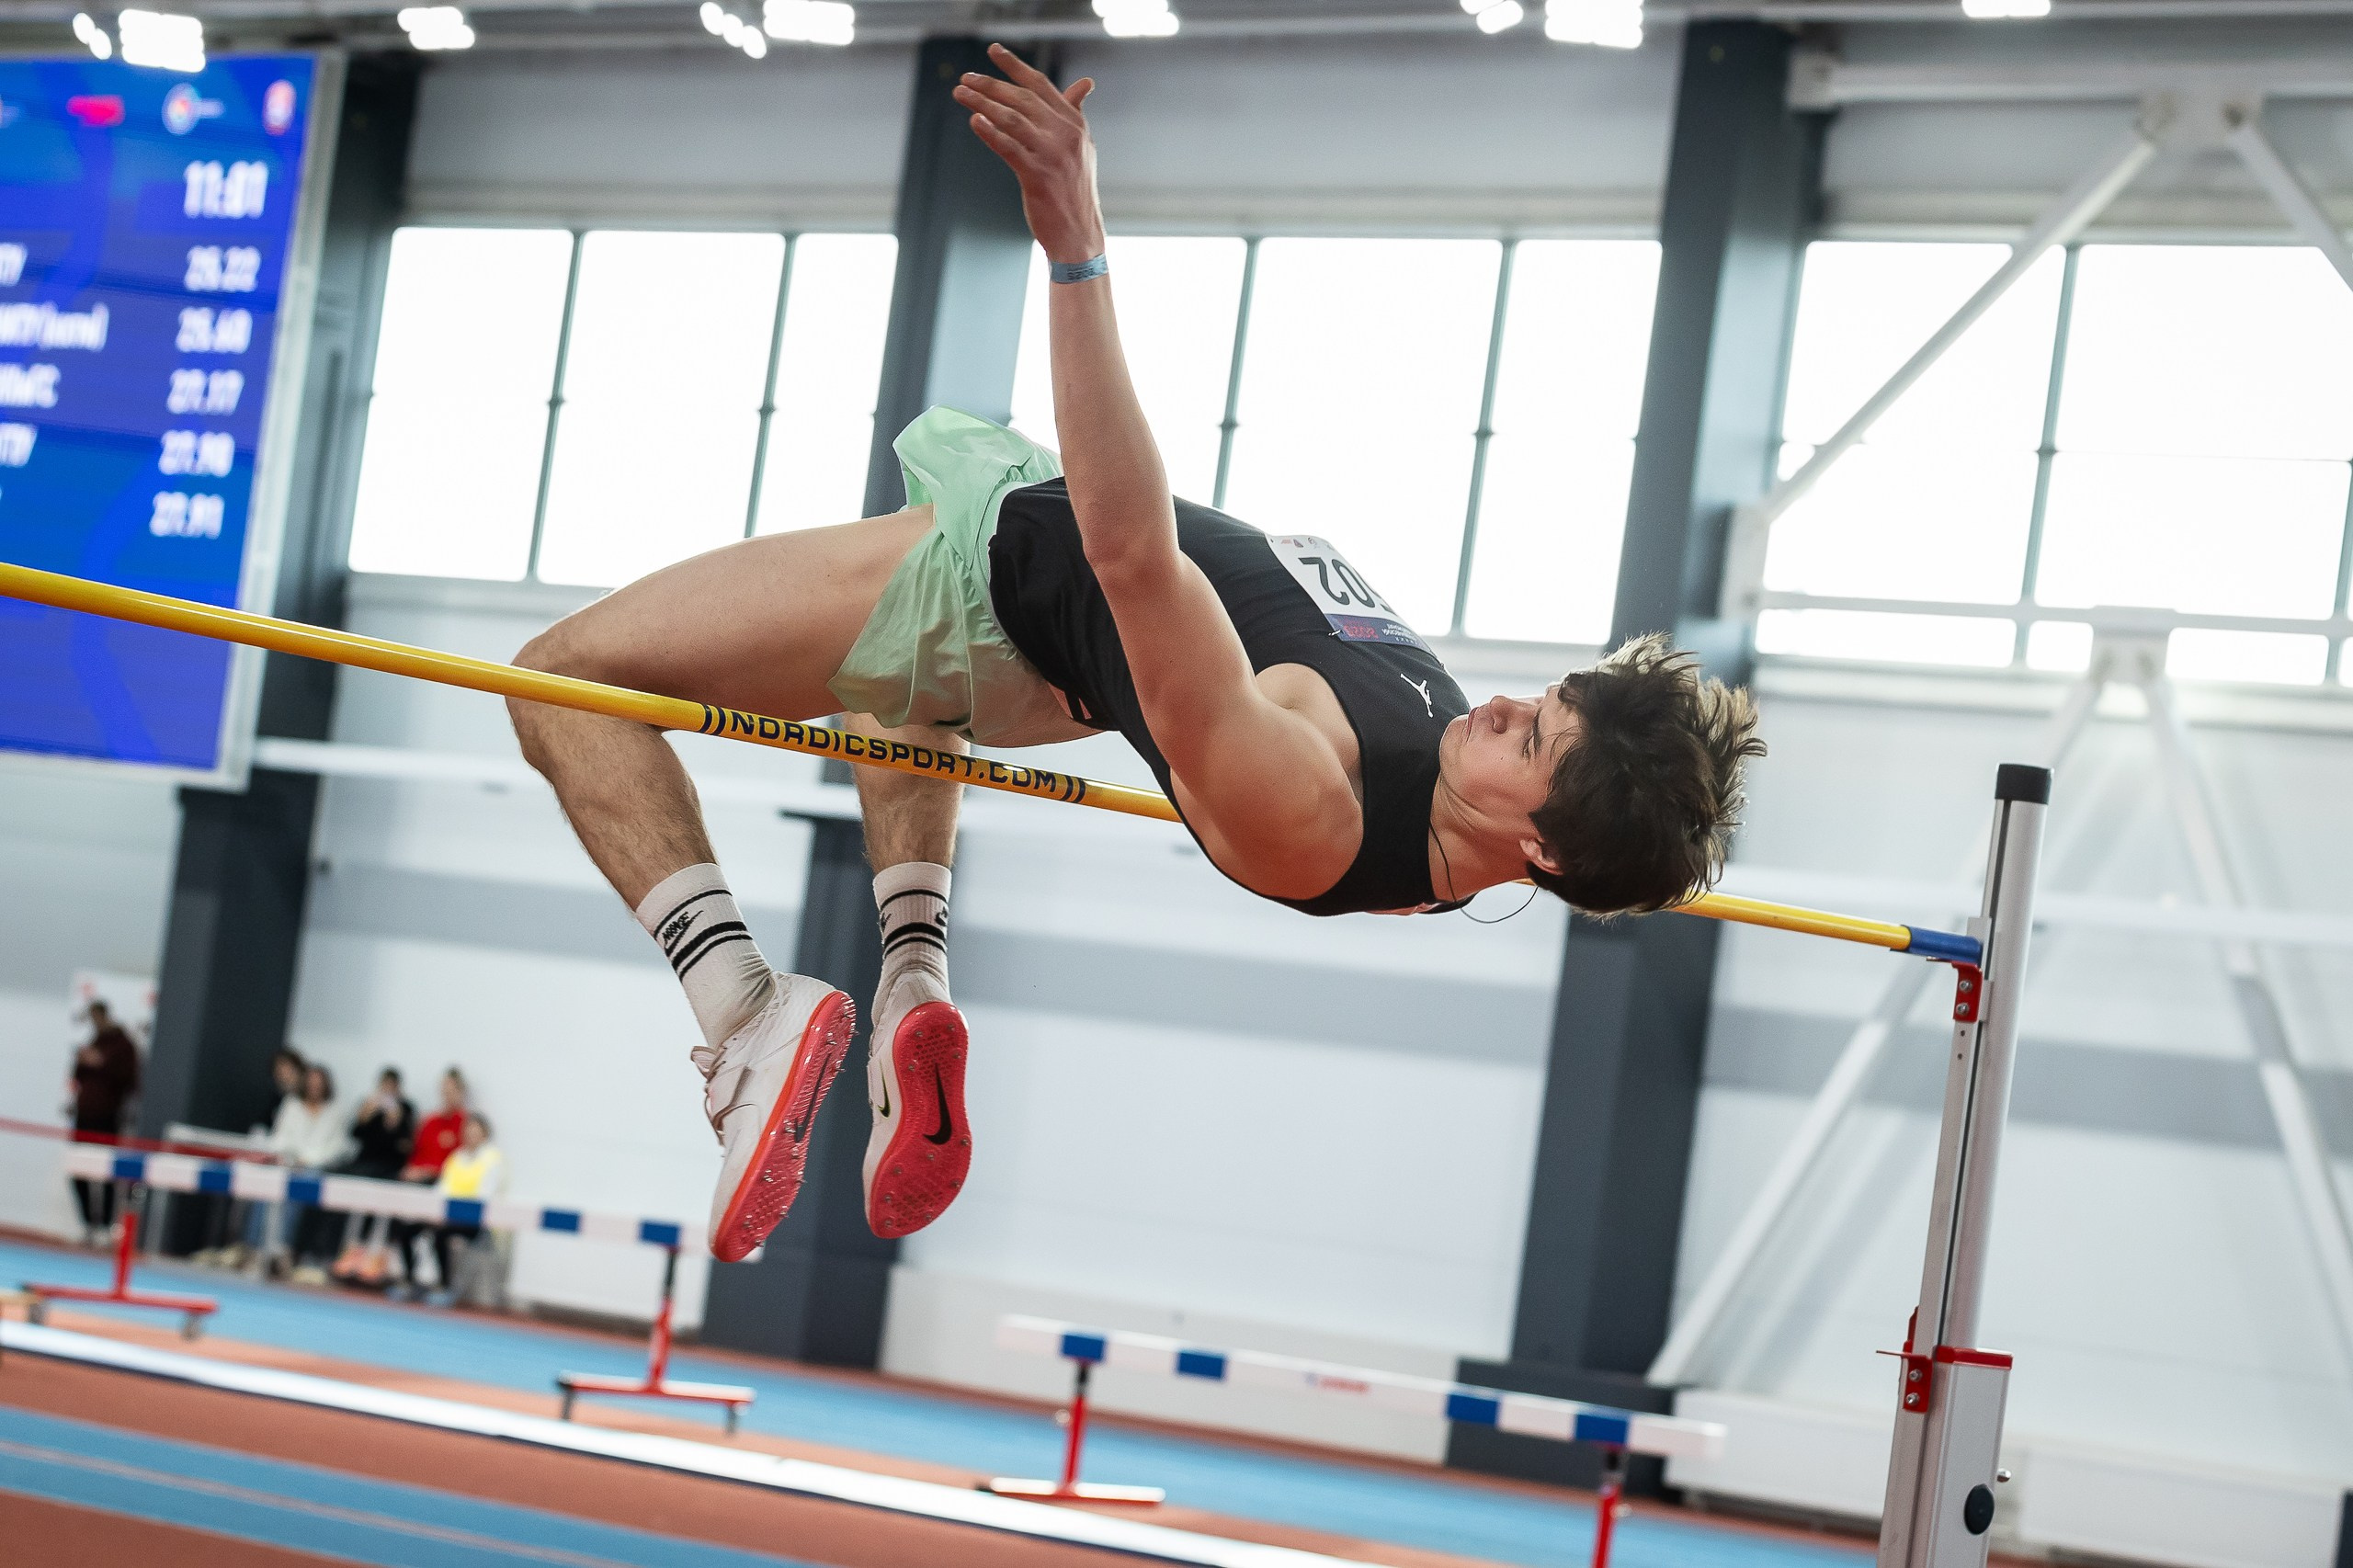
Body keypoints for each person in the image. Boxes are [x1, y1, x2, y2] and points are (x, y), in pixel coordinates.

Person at [507, 45, 1763, 1266]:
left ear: (1538, 849)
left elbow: (1134, 557)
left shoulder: (1310, 809)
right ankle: (911, 982)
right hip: (1051, 652)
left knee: (566, 682)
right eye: (1539, 699)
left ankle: (741, 1005)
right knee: (902, 702)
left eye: (1532, 736)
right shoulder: (1443, 793)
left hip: (991, 580)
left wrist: (1076, 249)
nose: (1500, 705)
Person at [326, 1067, 416, 1285]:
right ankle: (346, 1249)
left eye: (391, 1087)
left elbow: (405, 1146)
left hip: (388, 1168)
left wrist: (395, 1124)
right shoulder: (369, 1105)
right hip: (364, 1165)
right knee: (341, 1184)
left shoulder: (405, 1109)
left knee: (382, 1197)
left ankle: (376, 1254)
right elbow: (355, 1134)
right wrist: (365, 1115)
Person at [386, 1069, 469, 1296]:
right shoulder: (430, 1121)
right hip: (419, 1185)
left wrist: (427, 1172)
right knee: (400, 1224)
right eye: (444, 1090)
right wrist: (411, 1171)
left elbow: (458, 1167)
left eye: (452, 1090)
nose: (446, 1095)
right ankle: (407, 1277)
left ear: (461, 1093)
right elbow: (416, 1156)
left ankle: (443, 1283)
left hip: (441, 1190)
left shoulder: (465, 1124)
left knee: (439, 1229)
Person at [65, 999, 141, 1245]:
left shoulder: (123, 1045)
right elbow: (78, 1075)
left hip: (108, 1117)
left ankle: (108, 1226)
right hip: (84, 1116)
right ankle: (89, 1223)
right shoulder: (93, 1042)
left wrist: (101, 1063)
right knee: (78, 1171)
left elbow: (130, 1080)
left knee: (107, 1171)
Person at [265, 1063, 347, 1283]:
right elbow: (280, 1137)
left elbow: (337, 1146)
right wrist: (293, 1157)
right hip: (290, 1163)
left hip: (318, 1168)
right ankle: (264, 1248)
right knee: (268, 1186)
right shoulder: (291, 1105)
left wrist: (310, 1160)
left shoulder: (335, 1111)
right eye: (310, 1084)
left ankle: (290, 1249)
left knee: (305, 1186)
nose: (314, 1088)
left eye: (318, 1085)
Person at [419, 1113, 504, 1310]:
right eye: (468, 1131)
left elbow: (485, 1197)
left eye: (476, 1131)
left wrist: (449, 1215)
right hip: (448, 1216)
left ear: (485, 1135)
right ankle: (411, 1281)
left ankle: (445, 1285)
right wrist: (435, 1212)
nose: (471, 1135)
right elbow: (442, 1188)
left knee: (441, 1234)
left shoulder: (492, 1159)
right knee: (409, 1227)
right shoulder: (457, 1157)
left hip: (476, 1223)